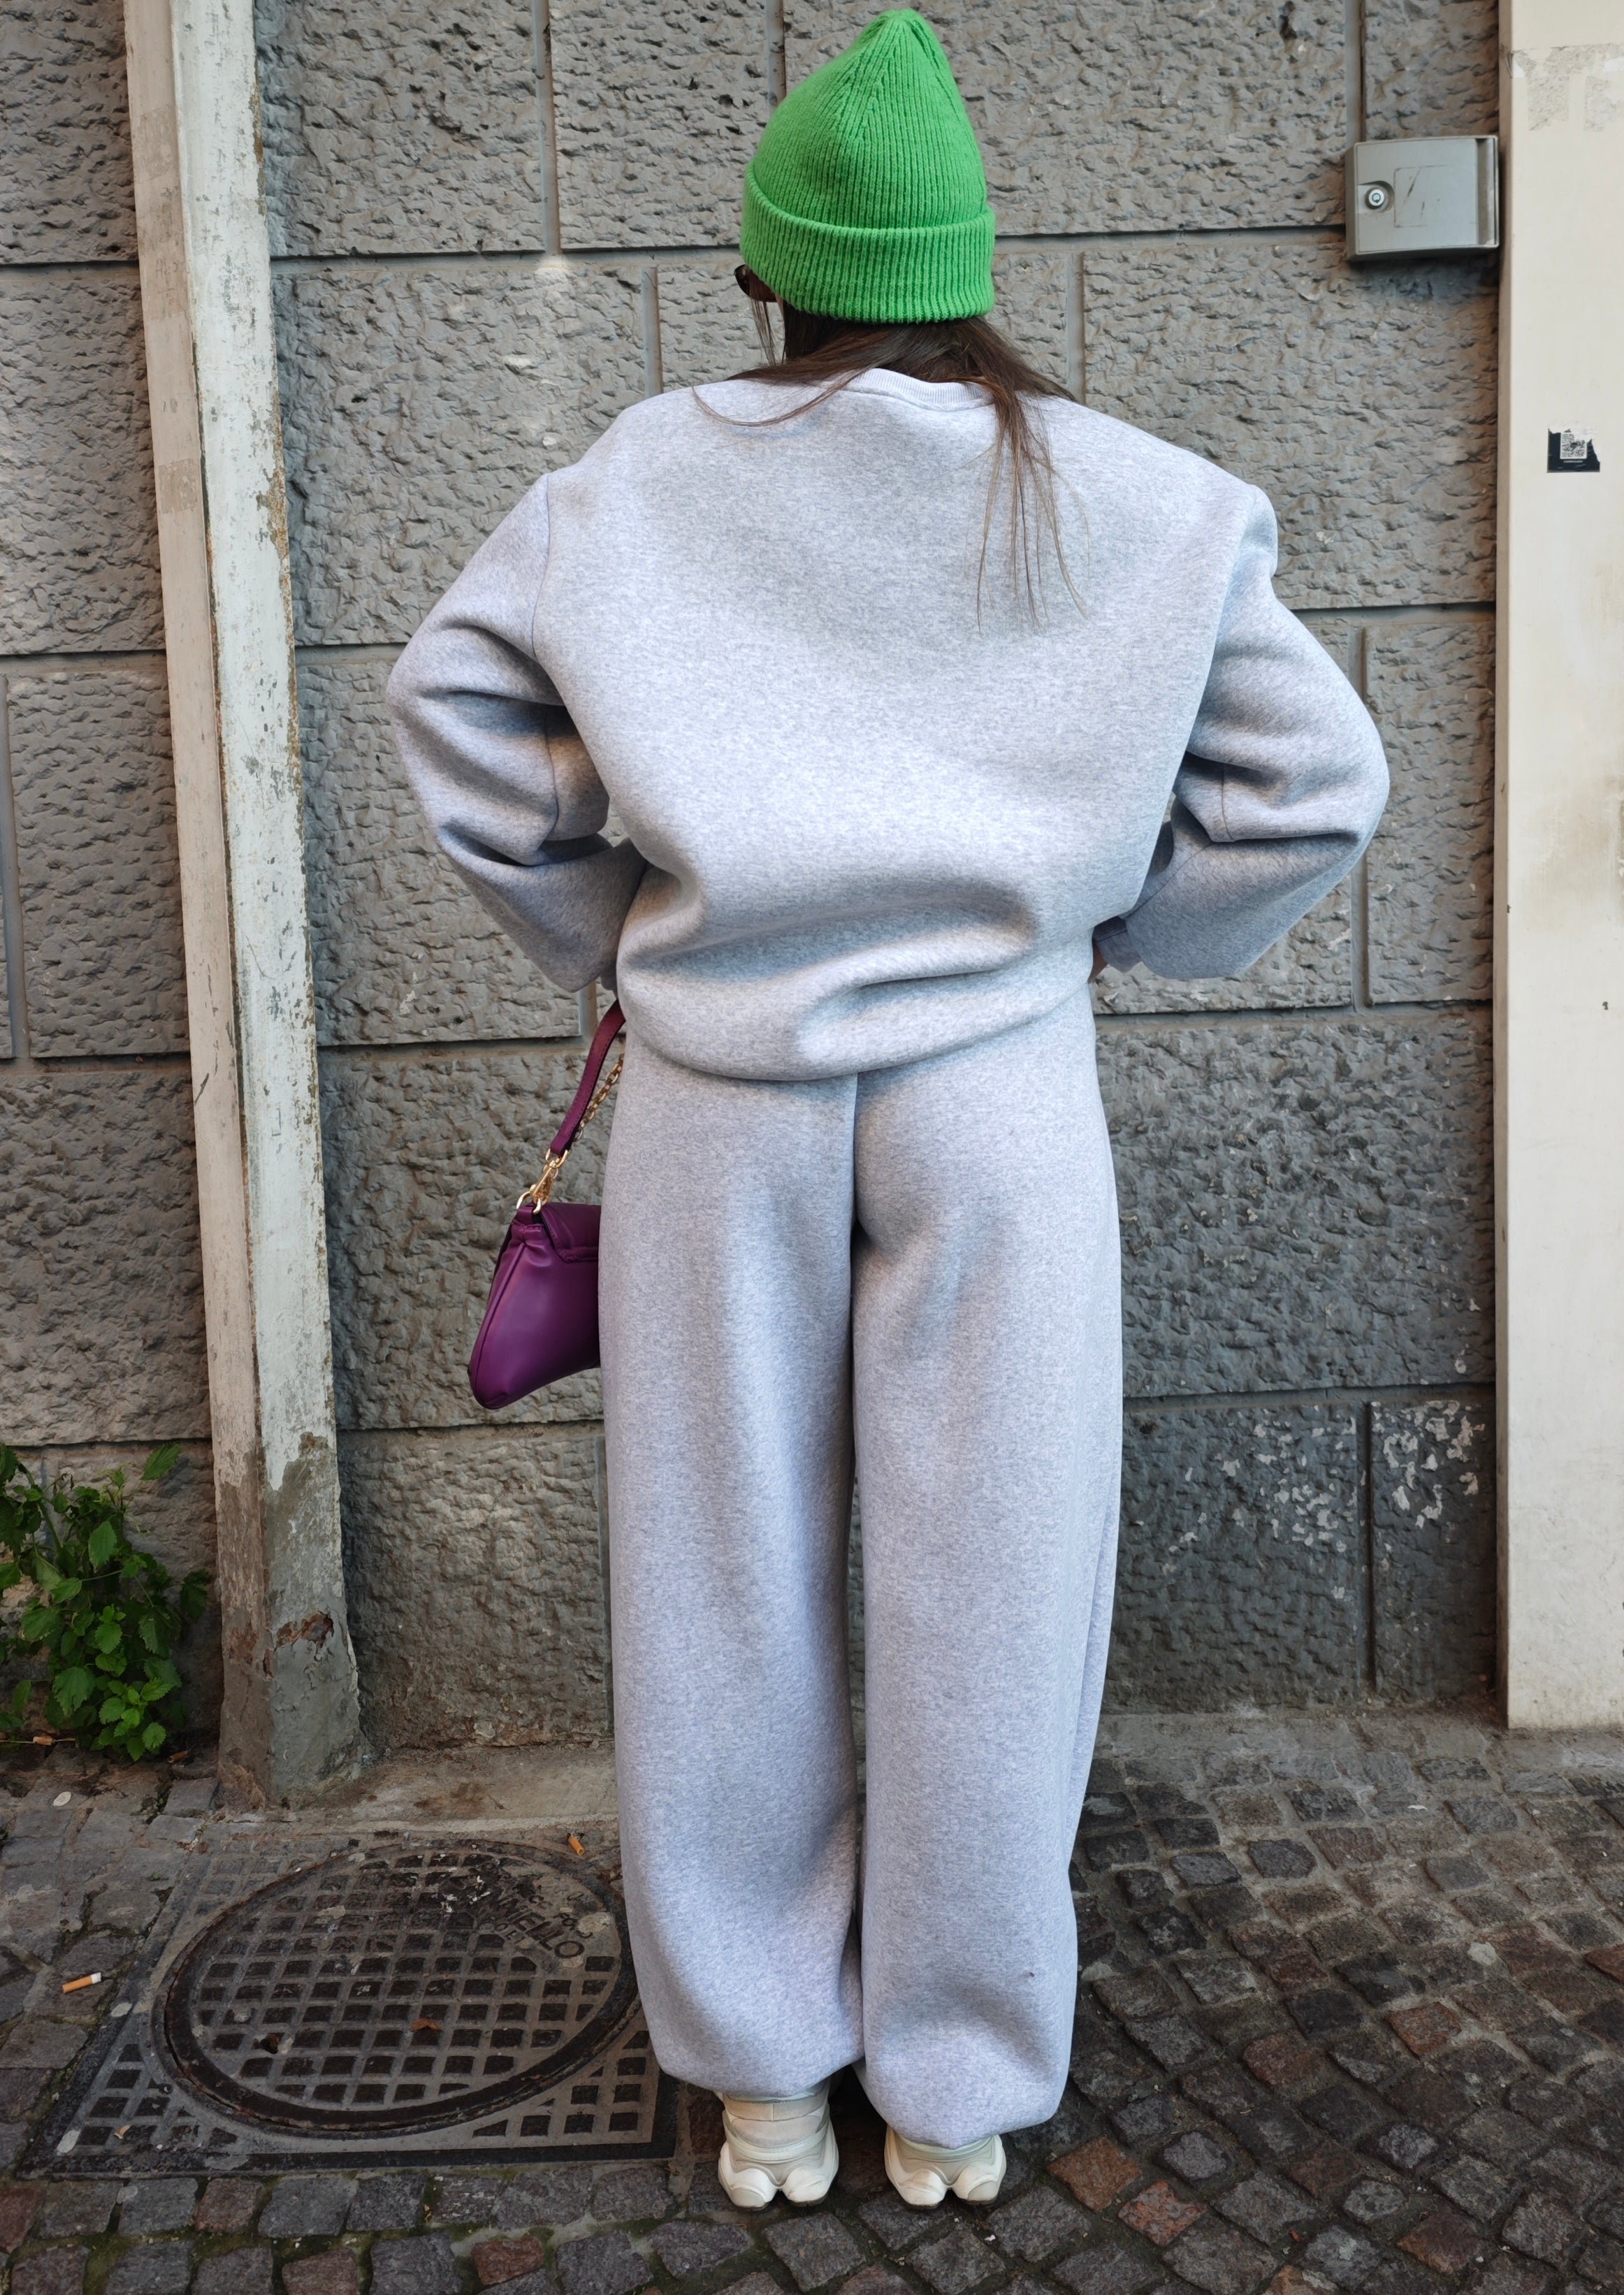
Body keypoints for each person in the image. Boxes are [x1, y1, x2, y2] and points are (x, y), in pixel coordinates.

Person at [388, 6, 1388, 2216]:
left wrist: (620, 920)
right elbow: (1320, 783)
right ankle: (953, 2077)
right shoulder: (1132, 492)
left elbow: (448, 704)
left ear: (766, 273)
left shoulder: (633, 481)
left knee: (720, 1577)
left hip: (719, 1102)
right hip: (994, 1102)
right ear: (969, 267)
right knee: (1000, 1581)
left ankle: (763, 2071)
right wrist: (1097, 932)